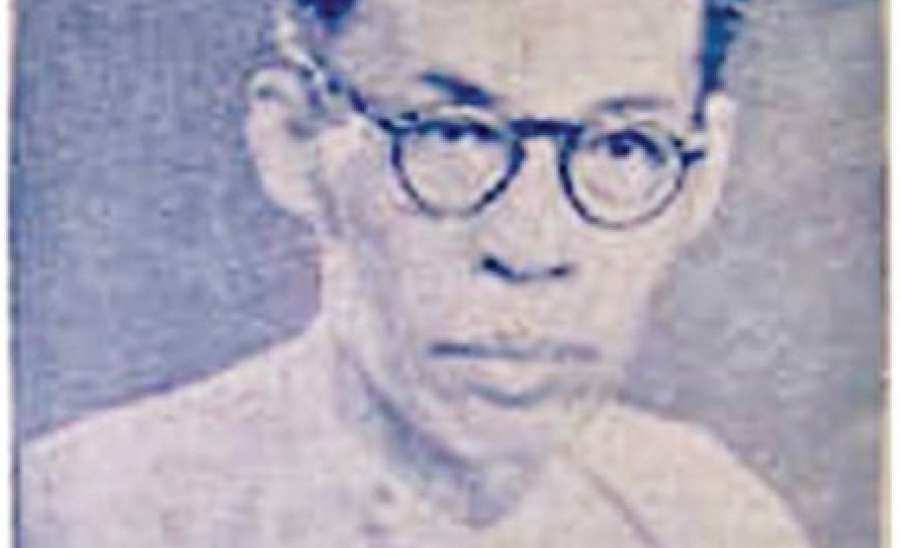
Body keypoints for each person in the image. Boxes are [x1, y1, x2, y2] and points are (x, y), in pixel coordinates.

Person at [21, 0, 813, 546]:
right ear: (293, 142)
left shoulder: (713, 519)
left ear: (706, 176)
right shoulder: (87, 515)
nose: (531, 246)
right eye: (451, 135)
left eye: (624, 146)